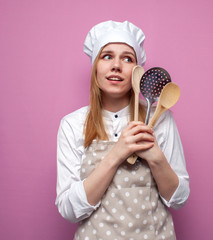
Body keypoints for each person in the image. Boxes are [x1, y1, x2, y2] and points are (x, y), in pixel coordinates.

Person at [55, 20, 189, 240]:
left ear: (137, 72)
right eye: (106, 56)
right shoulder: (73, 124)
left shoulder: (161, 119)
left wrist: (156, 158)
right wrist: (116, 154)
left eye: (127, 58)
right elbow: (69, 210)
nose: (116, 65)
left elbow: (179, 199)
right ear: (95, 66)